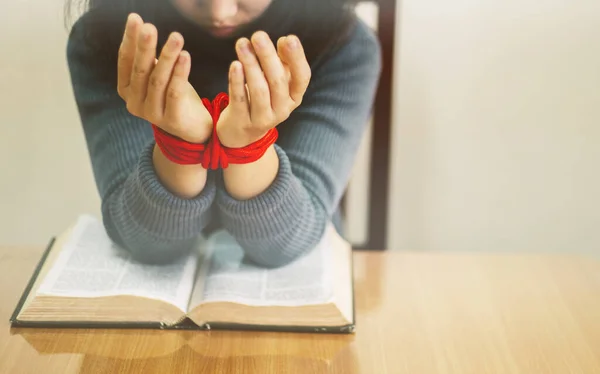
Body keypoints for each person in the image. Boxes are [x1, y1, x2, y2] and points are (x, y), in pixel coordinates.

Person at [66, 0, 382, 267]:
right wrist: (182, 144)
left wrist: (248, 146)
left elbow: (287, 245)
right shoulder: (110, 39)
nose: (220, 11)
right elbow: (146, 244)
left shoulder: (342, 42)